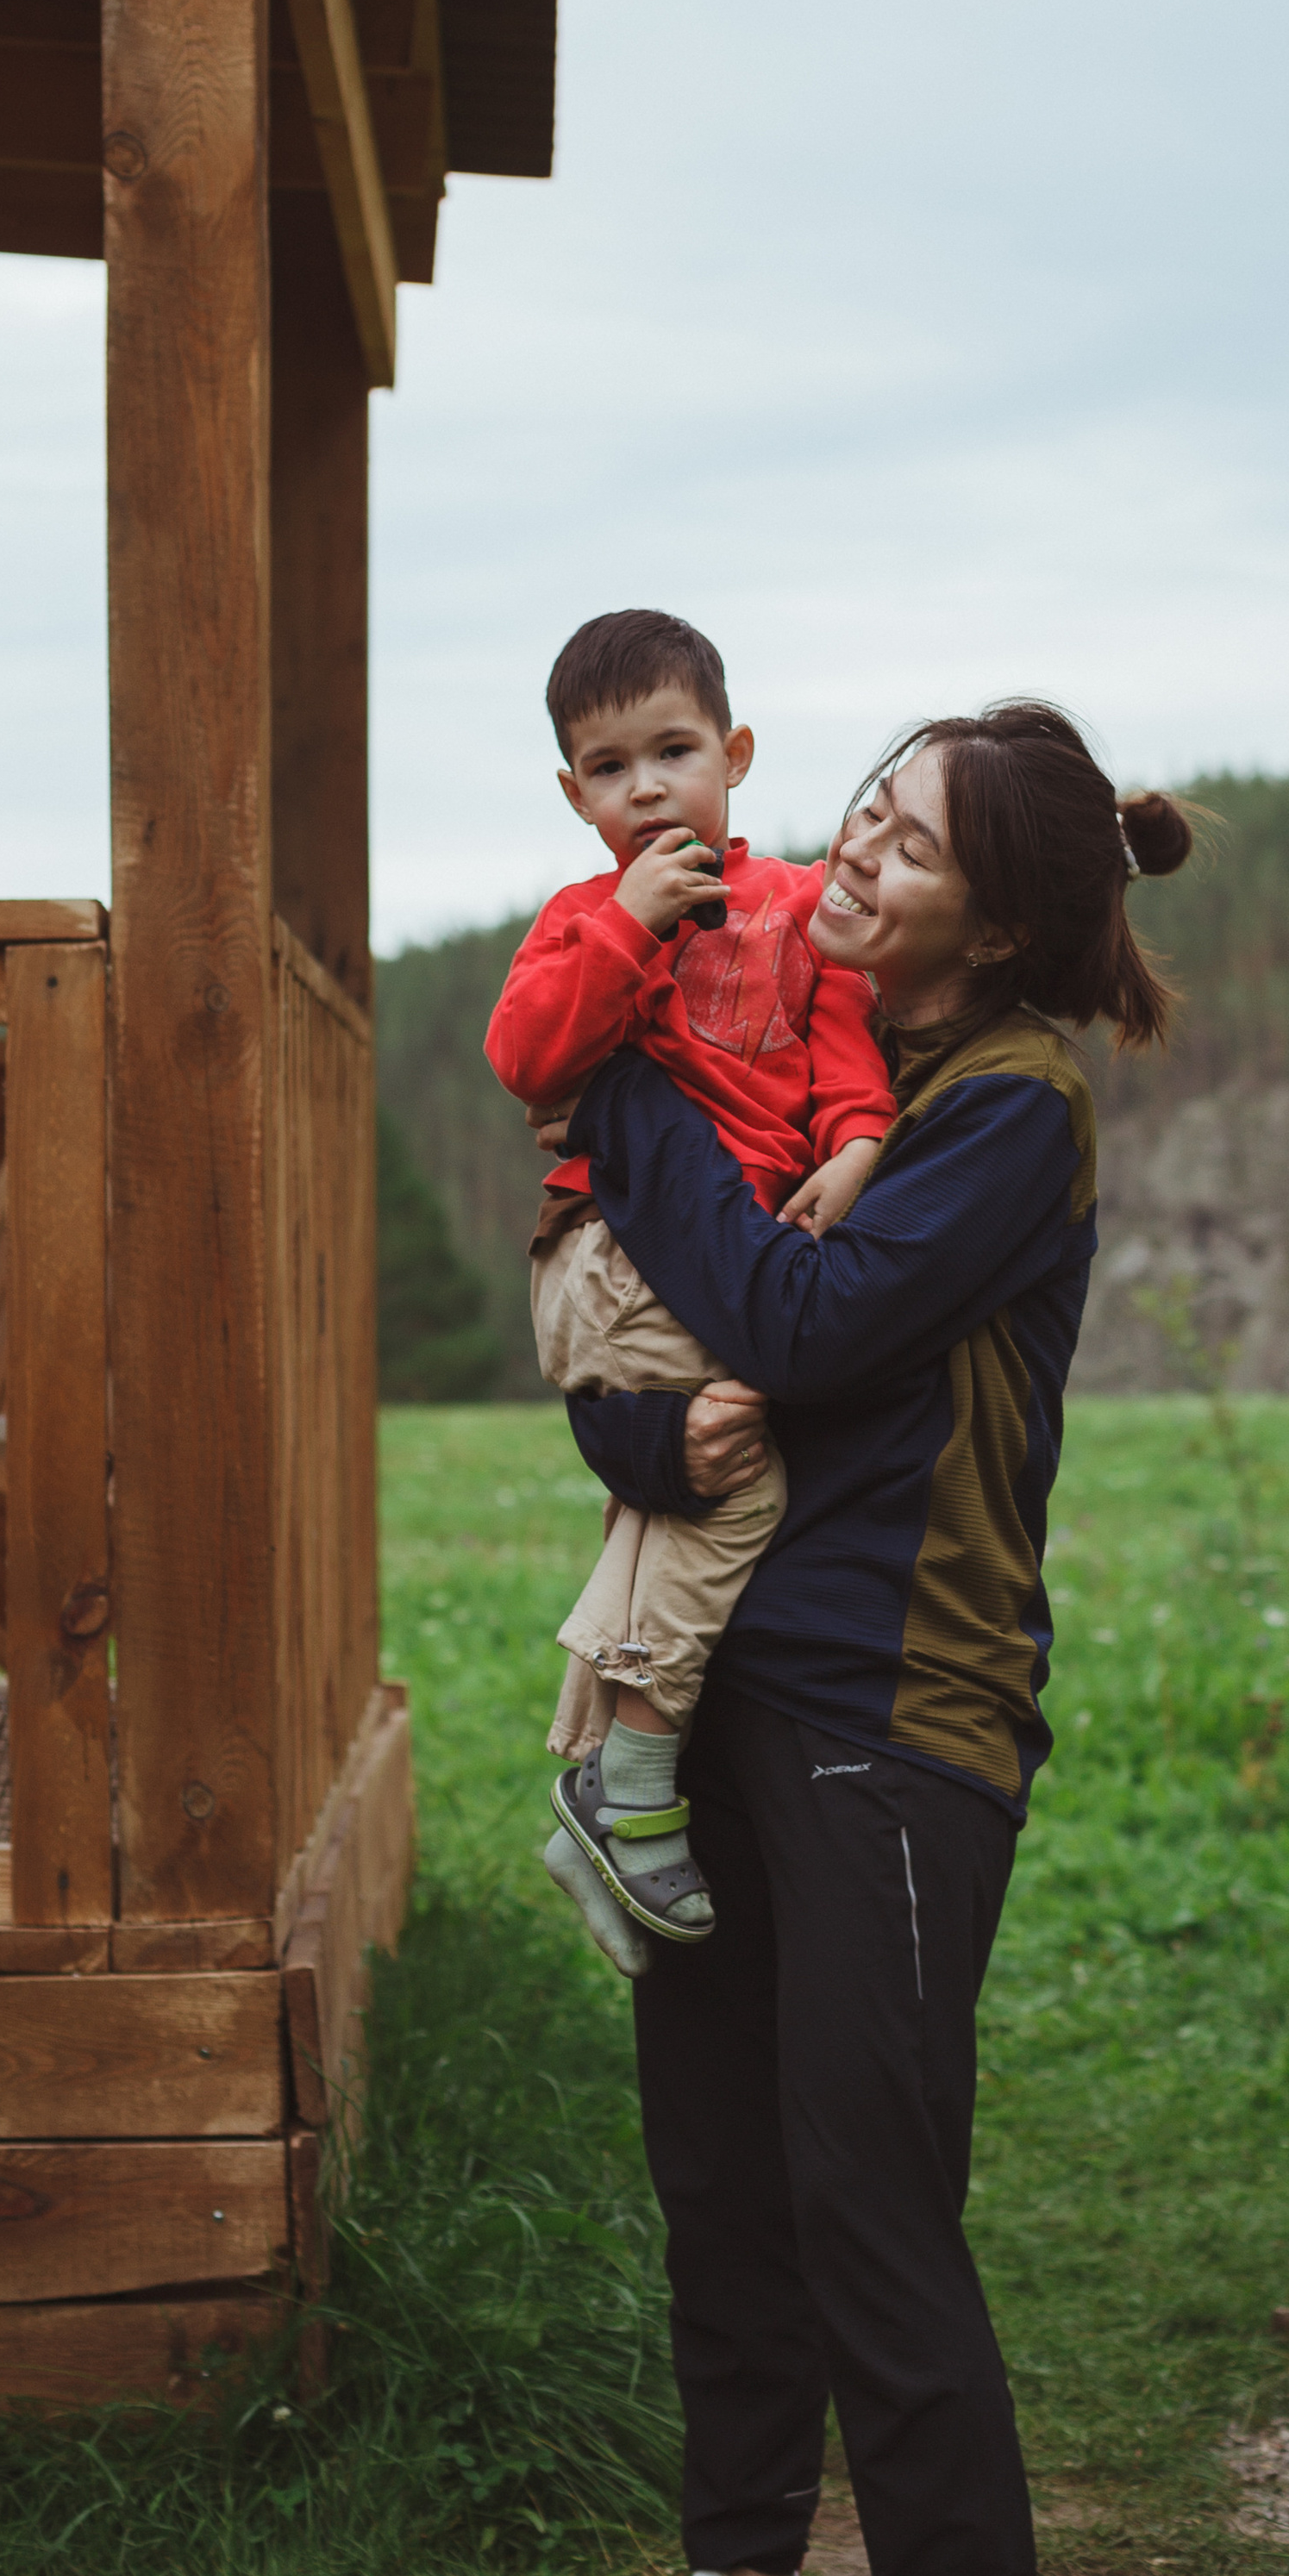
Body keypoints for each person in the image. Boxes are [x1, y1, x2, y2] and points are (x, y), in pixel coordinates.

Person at [545, 702, 1192, 2576]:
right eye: (860, 811)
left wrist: (611, 1075)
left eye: (900, 845)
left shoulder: (1010, 1108)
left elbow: (800, 1337)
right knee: (720, 2167)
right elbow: (677, 1371)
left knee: (861, 2180)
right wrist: (640, 1423)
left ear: (993, 922)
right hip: (737, 1686)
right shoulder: (827, 1078)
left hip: (895, 1716)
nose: (843, 853)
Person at [484, 610, 898, 1971]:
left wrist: (857, 1146)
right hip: (613, 1248)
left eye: (674, 751)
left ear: (737, 755)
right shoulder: (580, 919)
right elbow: (531, 1062)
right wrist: (623, 932)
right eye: (611, 769)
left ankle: (596, 1778)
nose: (648, 786)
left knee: (671, 1489)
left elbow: (838, 1043)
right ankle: (634, 1788)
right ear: (575, 797)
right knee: (738, 1482)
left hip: (715, 1247)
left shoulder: (791, 906)